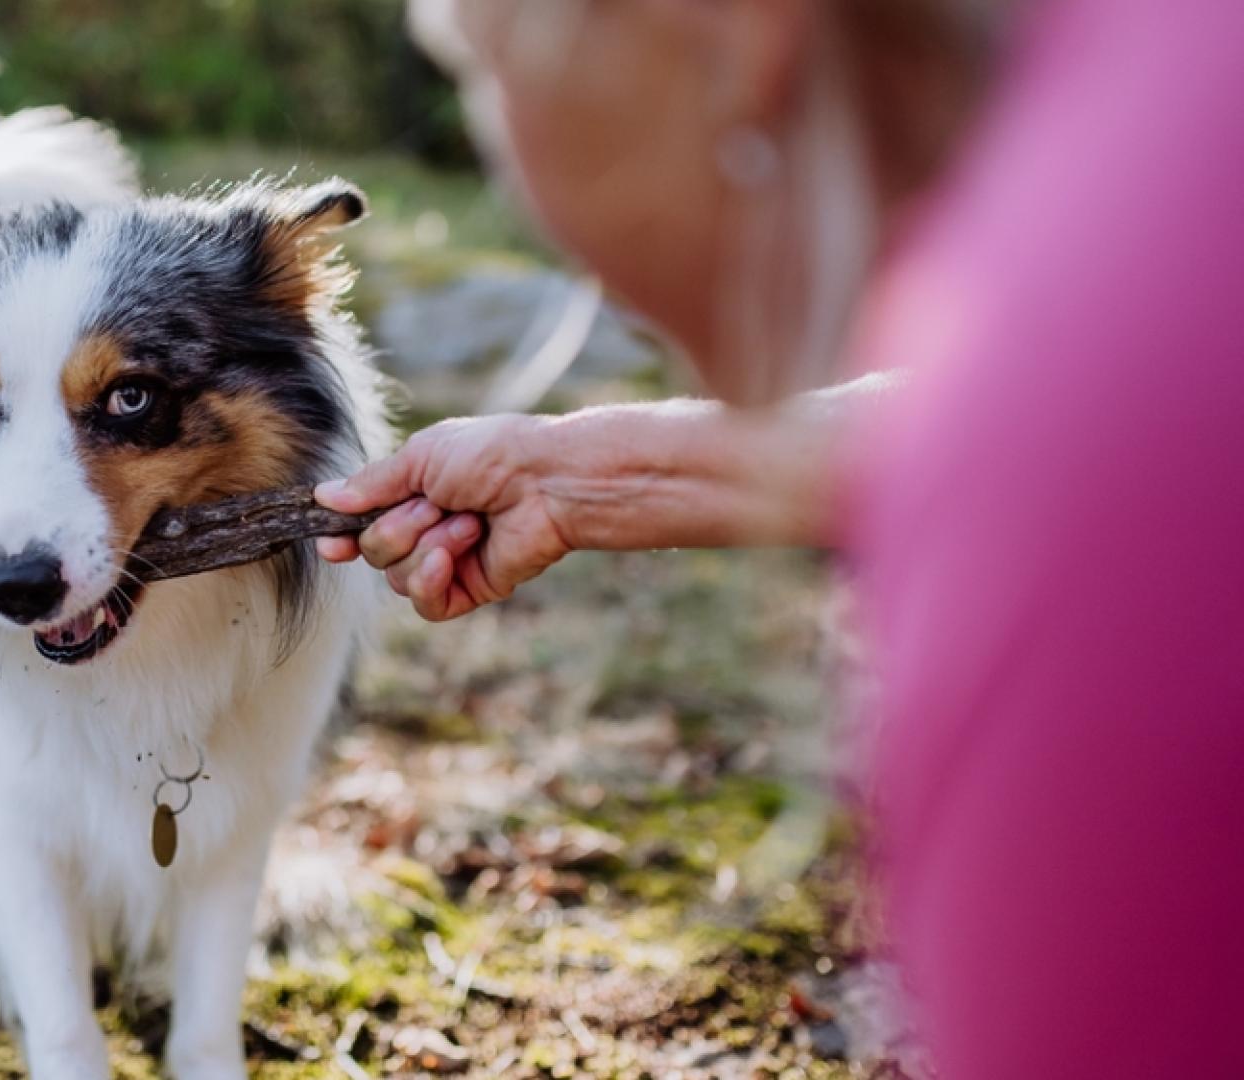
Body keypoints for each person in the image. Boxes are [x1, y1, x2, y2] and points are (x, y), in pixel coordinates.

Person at [319, 1, 1244, 1076]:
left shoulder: (1088, 468)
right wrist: (584, 476)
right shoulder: (1145, 116)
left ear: (717, 27)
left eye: (484, 71)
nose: (517, 177)